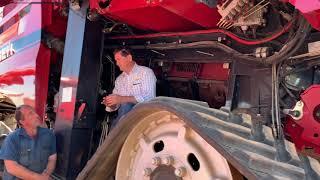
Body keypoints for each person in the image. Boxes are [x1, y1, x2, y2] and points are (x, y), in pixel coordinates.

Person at [102, 48, 157, 128]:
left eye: (118, 59)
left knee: (126, 105)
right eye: (116, 60)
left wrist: (122, 99)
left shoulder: (146, 72)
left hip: (143, 119)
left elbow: (150, 98)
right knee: (124, 107)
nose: (117, 63)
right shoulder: (119, 79)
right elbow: (116, 105)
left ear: (129, 58)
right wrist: (110, 103)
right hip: (123, 121)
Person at [0, 105, 56, 180]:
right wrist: (39, 178)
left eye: (34, 112)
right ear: (22, 121)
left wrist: (46, 174)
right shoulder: (12, 139)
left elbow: (52, 158)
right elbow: (12, 168)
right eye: (30, 114)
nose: (36, 115)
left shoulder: (48, 135)